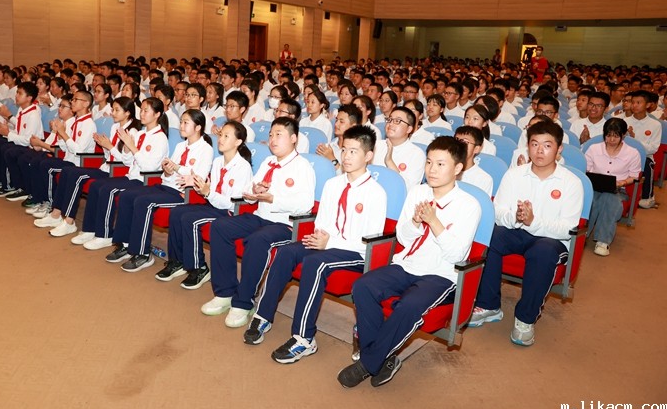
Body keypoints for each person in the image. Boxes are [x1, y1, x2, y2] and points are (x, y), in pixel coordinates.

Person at [336, 136, 481, 388]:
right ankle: (382, 357)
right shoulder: (417, 192)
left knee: (408, 306)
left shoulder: (469, 205)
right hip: (406, 264)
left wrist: (434, 222)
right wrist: (415, 222)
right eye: (429, 162)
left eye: (440, 164)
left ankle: (368, 363)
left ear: (458, 168)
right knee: (363, 286)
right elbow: (402, 238)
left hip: (441, 275)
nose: (432, 170)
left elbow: (457, 256)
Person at [244, 126, 387, 363]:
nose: (346, 156)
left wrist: (330, 242)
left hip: (355, 253)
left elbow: (369, 241)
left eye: (353, 151)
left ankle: (304, 337)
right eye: (344, 150)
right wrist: (322, 239)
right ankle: (263, 315)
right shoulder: (333, 184)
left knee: (315, 263)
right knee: (286, 252)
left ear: (368, 155)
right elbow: (322, 222)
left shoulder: (376, 193)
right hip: (327, 244)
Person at [469, 121, 583, 346]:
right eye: (534, 144)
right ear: (528, 146)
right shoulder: (514, 175)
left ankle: (525, 319)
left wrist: (533, 221)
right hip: (516, 229)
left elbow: (567, 228)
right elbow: (498, 212)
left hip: (551, 240)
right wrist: (516, 217)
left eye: (547, 145)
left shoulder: (572, 183)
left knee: (543, 253)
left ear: (559, 149)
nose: (540, 151)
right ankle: (489, 305)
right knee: (489, 236)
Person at [201, 117, 315, 328]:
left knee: (257, 240)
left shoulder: (303, 166)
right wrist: (255, 190)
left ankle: (244, 302)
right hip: (260, 216)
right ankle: (225, 292)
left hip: (284, 224)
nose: (272, 139)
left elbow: (305, 205)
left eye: (278, 135)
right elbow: (248, 190)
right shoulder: (268, 162)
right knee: (220, 226)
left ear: (293, 138)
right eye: (271, 135)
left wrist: (273, 199)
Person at [106, 109, 214, 271]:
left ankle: (142, 253)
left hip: (182, 193)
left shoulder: (206, 149)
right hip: (166, 186)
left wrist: (176, 168)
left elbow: (199, 177)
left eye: (186, 123)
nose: (181, 125)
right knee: (127, 195)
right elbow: (167, 173)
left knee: (144, 202)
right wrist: (168, 170)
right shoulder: (180, 146)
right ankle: (126, 244)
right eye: (181, 122)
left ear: (198, 127)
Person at [155, 121, 253, 289]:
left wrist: (208, 192)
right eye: (221, 135)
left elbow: (232, 203)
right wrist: (196, 184)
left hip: (228, 211)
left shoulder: (243, 167)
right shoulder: (218, 162)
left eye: (226, 136)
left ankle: (199, 268)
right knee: (177, 212)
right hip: (213, 204)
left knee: (190, 220)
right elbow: (210, 190)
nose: (220, 139)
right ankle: (176, 261)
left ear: (238, 142)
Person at [32, 97, 137, 236]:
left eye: (117, 110)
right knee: (68, 171)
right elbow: (109, 155)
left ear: (127, 112)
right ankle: (56, 214)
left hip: (118, 171)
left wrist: (109, 147)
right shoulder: (114, 127)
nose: (112, 113)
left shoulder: (132, 132)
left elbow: (127, 160)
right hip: (106, 166)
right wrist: (105, 146)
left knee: (76, 175)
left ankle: (69, 221)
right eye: (112, 109)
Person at [76, 97, 170, 250]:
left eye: (146, 111)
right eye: (141, 110)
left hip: (144, 180)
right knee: (96, 185)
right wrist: (126, 147)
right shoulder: (140, 134)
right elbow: (127, 161)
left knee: (108, 190)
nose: (142, 114)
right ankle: (90, 229)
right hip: (131, 176)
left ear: (157, 114)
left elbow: (149, 167)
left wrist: (131, 147)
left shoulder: (160, 138)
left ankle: (105, 235)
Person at [585, 118, 641, 256]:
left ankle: (602, 241)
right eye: (608, 135)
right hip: (595, 187)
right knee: (593, 199)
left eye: (615, 136)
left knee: (609, 198)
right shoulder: (594, 148)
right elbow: (586, 170)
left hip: (618, 189)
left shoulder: (632, 153)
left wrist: (621, 182)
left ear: (623, 135)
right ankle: (584, 233)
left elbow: (634, 176)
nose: (611, 139)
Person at [373, 106, 426, 191]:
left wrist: (389, 162)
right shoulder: (375, 145)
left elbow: (408, 189)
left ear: (409, 129)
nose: (390, 124)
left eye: (397, 121)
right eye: (389, 119)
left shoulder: (417, 154)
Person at [625, 90, 662, 209]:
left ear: (648, 105)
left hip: (645, 157)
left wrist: (634, 141)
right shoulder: (625, 122)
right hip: (625, 155)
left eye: (638, 102)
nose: (634, 105)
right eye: (633, 102)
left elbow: (653, 149)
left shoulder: (655, 124)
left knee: (648, 164)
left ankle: (648, 197)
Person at [316, 104, 361, 175]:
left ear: (353, 126)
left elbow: (349, 177)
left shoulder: (358, 150)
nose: (336, 124)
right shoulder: (329, 146)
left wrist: (332, 159)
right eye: (336, 120)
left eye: (341, 122)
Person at [454, 125, 494, 197]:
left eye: (465, 142)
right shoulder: (443, 169)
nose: (458, 145)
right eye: (456, 140)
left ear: (476, 149)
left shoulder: (484, 179)